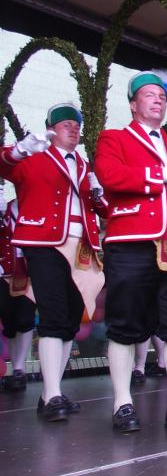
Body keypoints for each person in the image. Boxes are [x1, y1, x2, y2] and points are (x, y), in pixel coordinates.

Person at [95, 71, 167, 433]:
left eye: (161, 95)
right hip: (131, 241)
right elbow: (110, 174)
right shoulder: (114, 138)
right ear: (133, 104)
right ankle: (122, 403)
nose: (157, 99)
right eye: (148, 95)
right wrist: (163, 173)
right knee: (125, 324)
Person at [0, 103, 107, 421]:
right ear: (50, 128)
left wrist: (101, 197)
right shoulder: (32, 157)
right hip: (44, 244)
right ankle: (52, 395)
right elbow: (3, 165)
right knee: (52, 315)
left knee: (71, 321)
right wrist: (20, 149)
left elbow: (99, 210)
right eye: (64, 124)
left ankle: (52, 393)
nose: (72, 128)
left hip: (81, 248)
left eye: (76, 124)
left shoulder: (84, 165)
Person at [0, 198, 36, 392]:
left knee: (25, 318)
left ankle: (20, 368)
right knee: (10, 321)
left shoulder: (37, 204)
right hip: (5, 270)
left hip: (29, 271)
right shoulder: (6, 207)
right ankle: (16, 367)